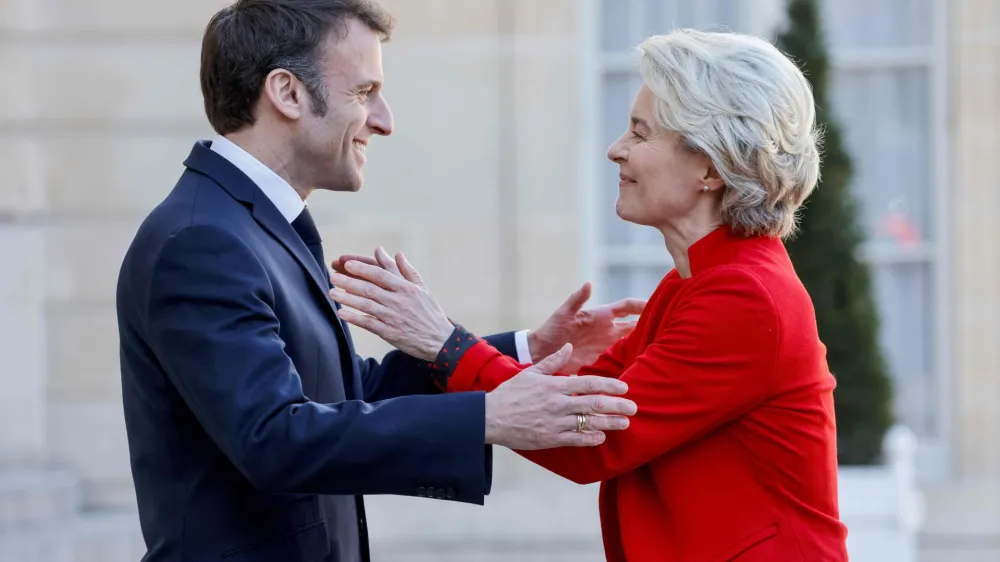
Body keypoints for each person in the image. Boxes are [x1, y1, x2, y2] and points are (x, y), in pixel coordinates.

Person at [114, 1, 642, 561]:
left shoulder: (248, 224)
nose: (385, 120)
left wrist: (523, 350)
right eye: (364, 94)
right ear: (287, 93)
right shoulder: (202, 240)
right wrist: (490, 418)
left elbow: (345, 393)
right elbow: (274, 438)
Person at [330, 29, 850, 562]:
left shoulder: (744, 295)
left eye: (640, 134)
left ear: (711, 168)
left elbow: (592, 439)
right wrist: (536, 350)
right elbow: (579, 404)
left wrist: (446, 344)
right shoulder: (697, 283)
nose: (615, 149)